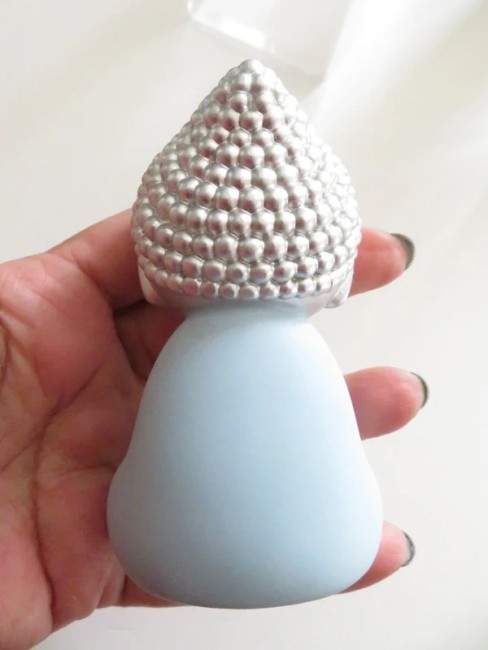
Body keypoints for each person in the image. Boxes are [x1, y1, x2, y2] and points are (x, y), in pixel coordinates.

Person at [0, 211, 426, 649]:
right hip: (219, 550)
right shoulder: (302, 363)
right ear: (339, 282)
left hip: (160, 549)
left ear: (153, 282)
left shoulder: (189, 357)